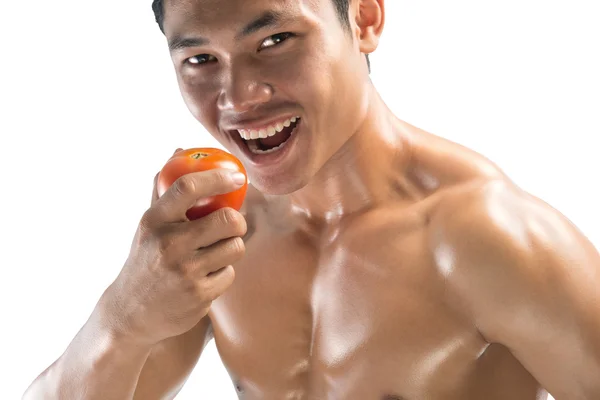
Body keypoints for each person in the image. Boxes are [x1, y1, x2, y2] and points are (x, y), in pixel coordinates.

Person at [24, 0, 600, 399]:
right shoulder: (220, 227)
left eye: (275, 40)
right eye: (201, 60)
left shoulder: (485, 234)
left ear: (366, 19)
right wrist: (122, 317)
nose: (239, 97)